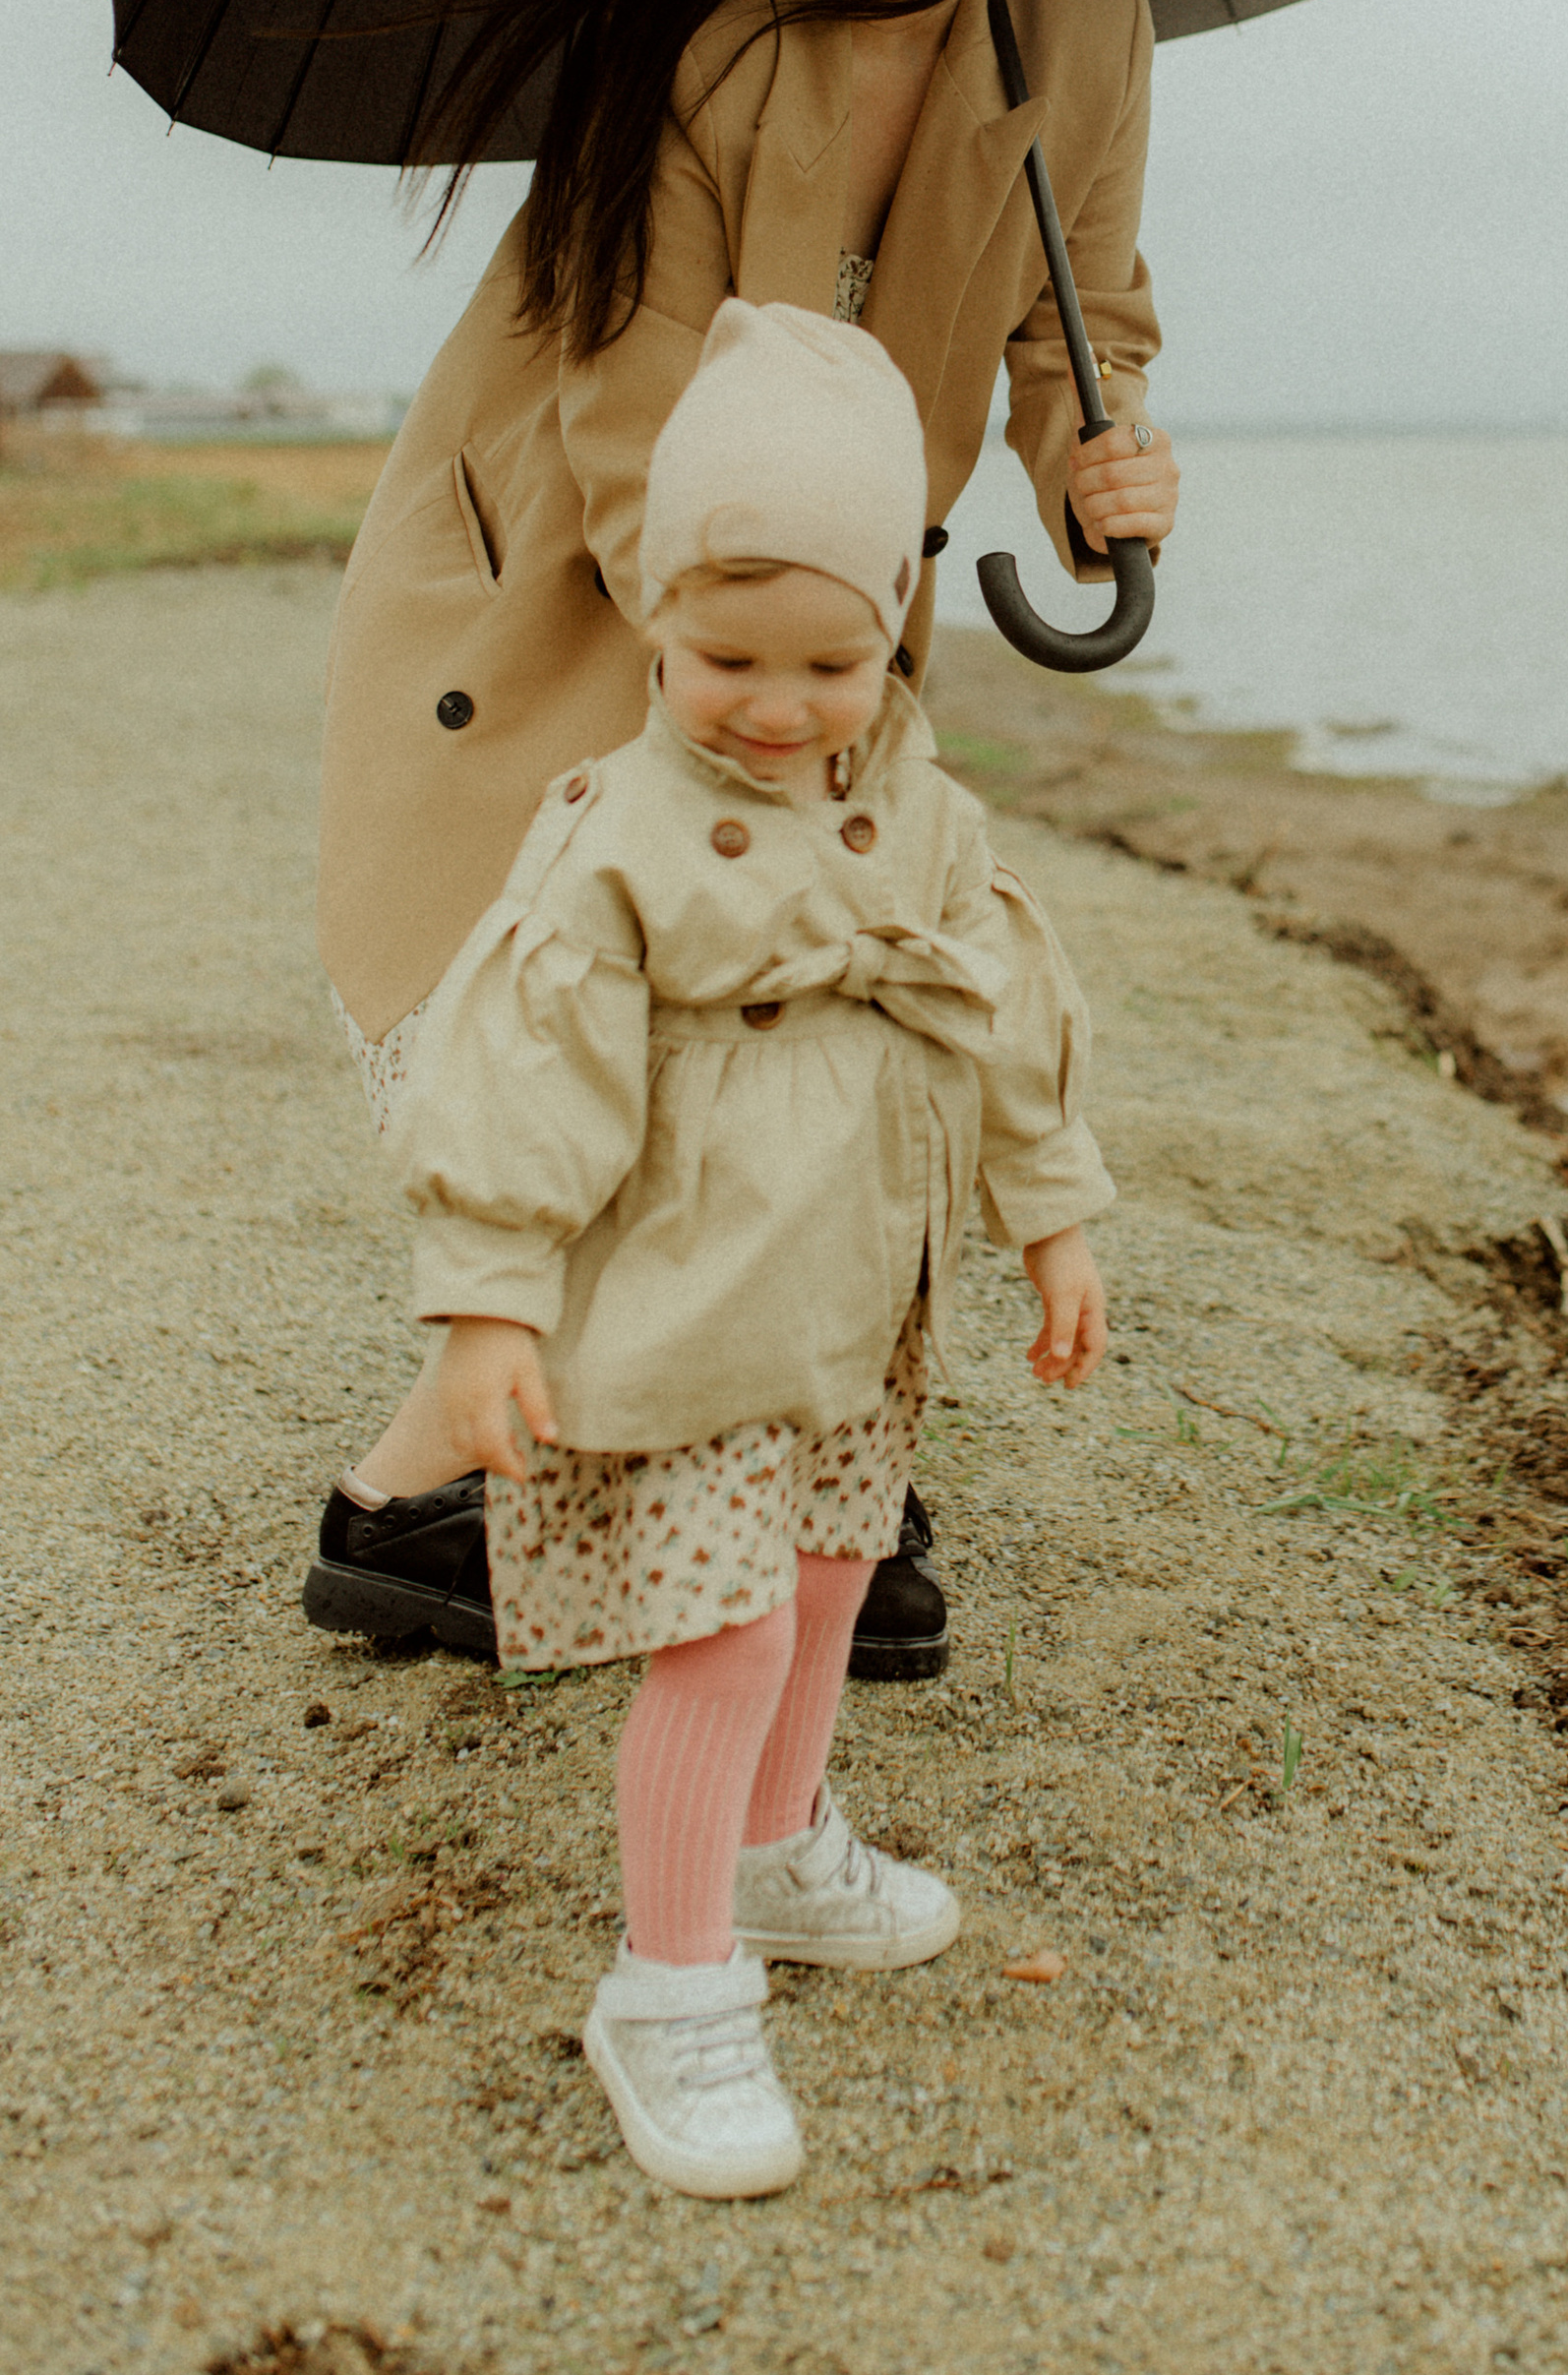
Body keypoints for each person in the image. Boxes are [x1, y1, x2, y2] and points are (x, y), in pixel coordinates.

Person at [301, 0, 1178, 1673]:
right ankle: (440, 1490)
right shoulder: (700, 33)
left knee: (844, 1021)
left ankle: (792, 1475)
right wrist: (762, 678)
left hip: (832, 602)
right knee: (633, 1013)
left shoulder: (1085, 27)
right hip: (593, 579)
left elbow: (1092, 318)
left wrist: (1096, 455)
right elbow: (622, 403)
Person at [393, 297, 1112, 2195]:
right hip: (692, 1302)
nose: (778, 708)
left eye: (831, 659)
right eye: (728, 655)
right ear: (654, 616)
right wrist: (488, 1302)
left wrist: (1053, 1216)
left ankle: (784, 1854)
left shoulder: (923, 816)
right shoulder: (615, 833)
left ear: (893, 627)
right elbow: (522, 1072)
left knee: (821, 1585)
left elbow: (1005, 1014)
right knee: (708, 1636)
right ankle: (673, 1983)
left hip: (861, 1298)